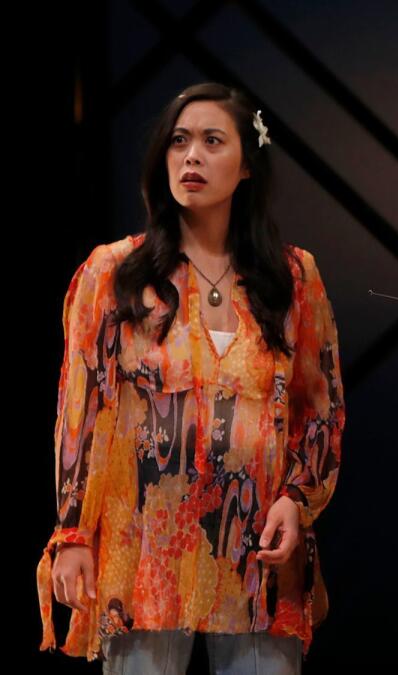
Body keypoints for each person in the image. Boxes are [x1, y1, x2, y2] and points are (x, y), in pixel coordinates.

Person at [39, 83, 345, 674]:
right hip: (145, 549)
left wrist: (295, 499)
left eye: (211, 141)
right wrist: (72, 533)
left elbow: (321, 407)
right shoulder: (114, 273)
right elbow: (79, 410)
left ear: (248, 164)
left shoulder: (293, 278)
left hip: (258, 548)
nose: (191, 157)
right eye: (179, 141)